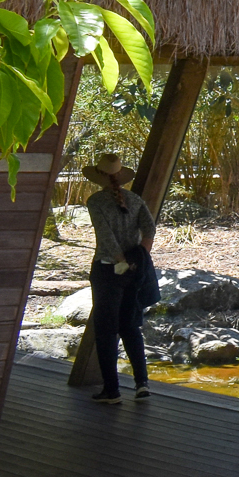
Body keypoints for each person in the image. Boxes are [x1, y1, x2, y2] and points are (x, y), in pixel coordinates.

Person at [84, 152, 155, 405]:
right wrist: (139, 256)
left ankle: (112, 390)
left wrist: (120, 261)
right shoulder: (135, 199)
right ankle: (142, 384)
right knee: (130, 326)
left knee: (106, 331)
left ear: (100, 176)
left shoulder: (96, 201)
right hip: (134, 271)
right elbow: (150, 228)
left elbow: (105, 236)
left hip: (107, 271)